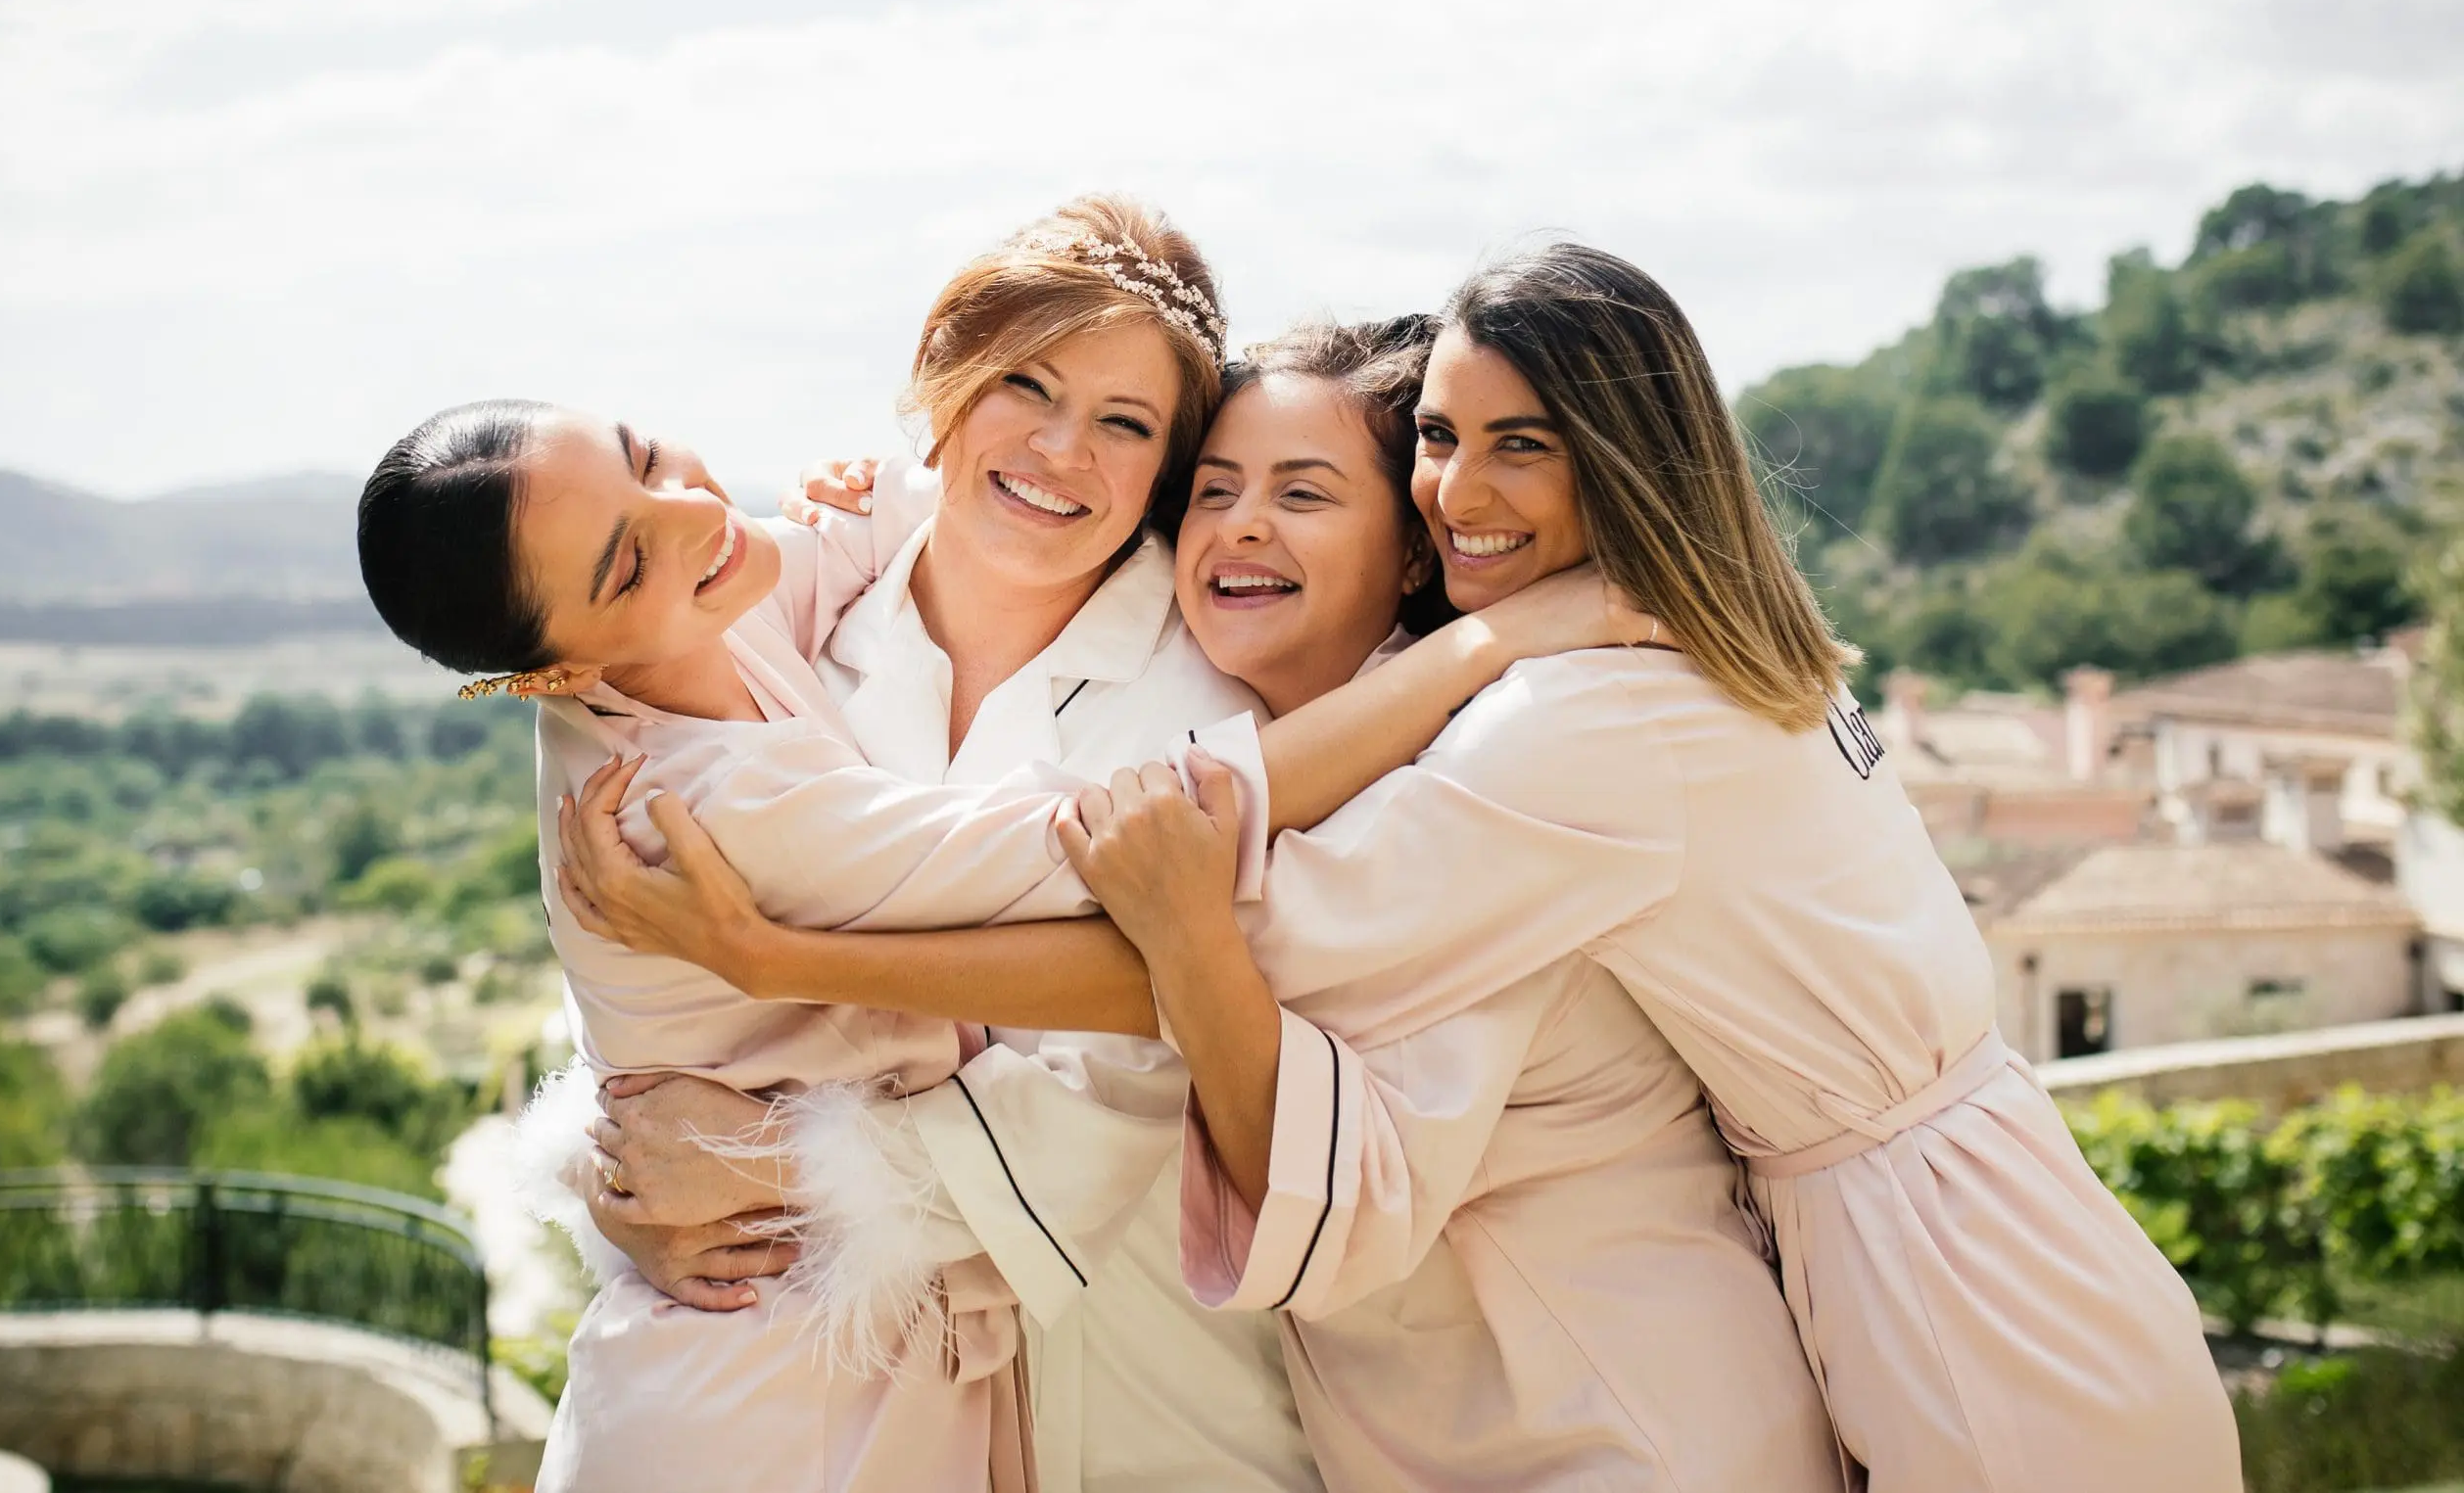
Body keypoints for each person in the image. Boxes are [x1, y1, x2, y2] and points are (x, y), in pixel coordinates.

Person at [364, 198, 1636, 1492]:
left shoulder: (1217, 689)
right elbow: (668, 1009)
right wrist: (621, 1147)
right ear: (948, 388)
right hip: (817, 1392)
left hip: (1153, 1390)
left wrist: (774, 1162)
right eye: (1019, 384)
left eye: (1130, 423)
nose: (1060, 449)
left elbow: (1158, 1032)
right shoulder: (790, 628)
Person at [568, 315, 1846, 1490]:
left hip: (1555, 1402)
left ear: (1405, 540)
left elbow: (1172, 1010)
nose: (1238, 525)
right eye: (1217, 491)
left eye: (1301, 491)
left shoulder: (1435, 770)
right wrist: (626, 1128)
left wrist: (779, 1126)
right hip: (1204, 1405)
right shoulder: (860, 621)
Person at [1054, 246, 2243, 1493]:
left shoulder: (1584, 720)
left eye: (1523, 442)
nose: (1455, 488)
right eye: (1442, 437)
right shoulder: (1729, 645)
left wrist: (833, 956)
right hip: (1997, 1222)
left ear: (1622, 454)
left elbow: (1201, 869)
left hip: (1955, 1293)